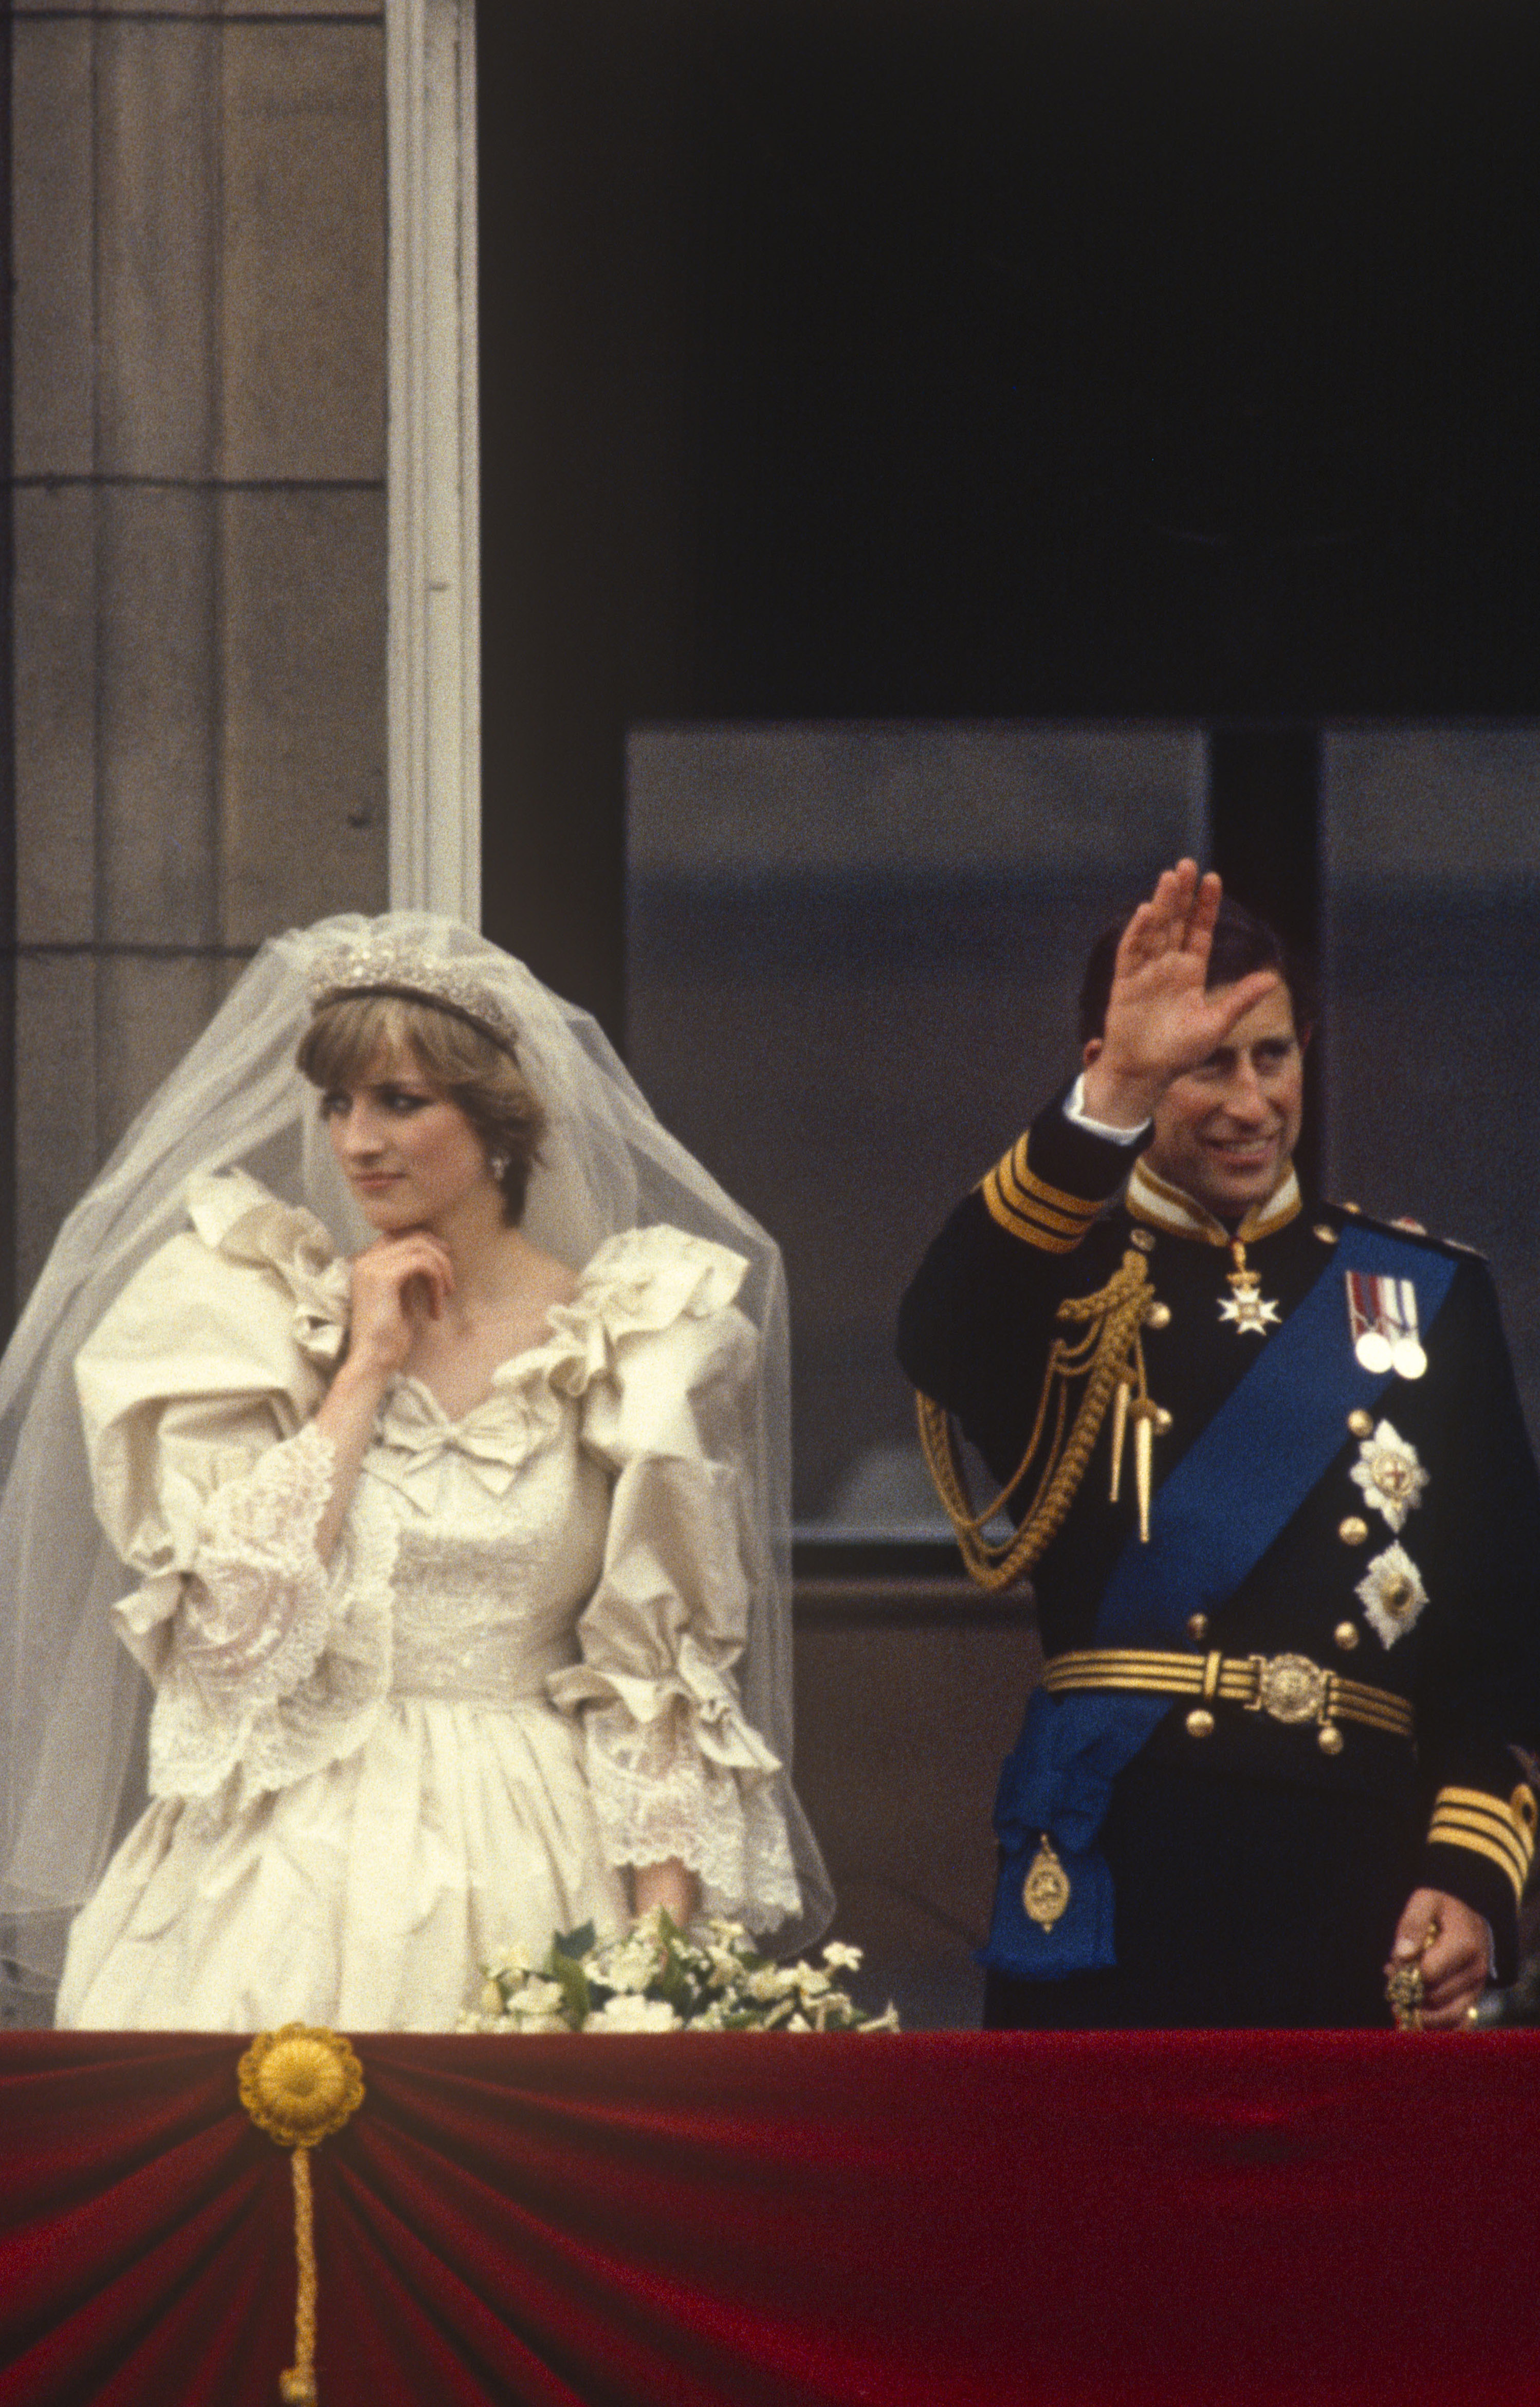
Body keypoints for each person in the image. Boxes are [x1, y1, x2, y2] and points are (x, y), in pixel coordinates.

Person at [0, 914, 830, 2031]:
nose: (356, 1140)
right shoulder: (254, 1317)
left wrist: (660, 1973)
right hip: (278, 1865)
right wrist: (363, 1369)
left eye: (399, 1100)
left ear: (497, 1126)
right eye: (337, 1102)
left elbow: (660, 1690)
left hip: (535, 1847)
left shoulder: (637, 1345)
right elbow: (226, 1643)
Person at [898, 861, 1540, 2030]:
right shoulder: (1059, 1282)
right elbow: (938, 1329)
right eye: (1205, 1064)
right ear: (1126, 1065)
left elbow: (1494, 1652)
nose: (1250, 1102)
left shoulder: (1427, 1297)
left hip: (1353, 1877)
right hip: (1120, 1870)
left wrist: (1466, 1873)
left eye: (1274, 1056)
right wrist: (1105, 1102)